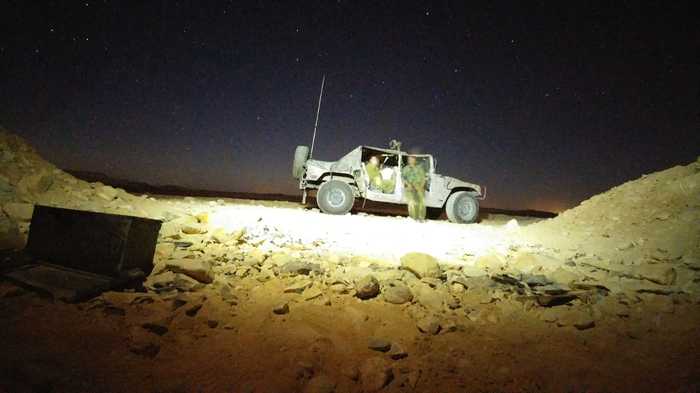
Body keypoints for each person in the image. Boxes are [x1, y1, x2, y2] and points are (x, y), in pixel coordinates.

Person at [401, 155, 427, 221]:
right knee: (411, 202)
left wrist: (421, 187)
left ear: (415, 160)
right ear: (408, 160)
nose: (411, 160)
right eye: (409, 159)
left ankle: (421, 217)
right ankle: (413, 217)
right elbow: (403, 178)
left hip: (418, 186)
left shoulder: (419, 168)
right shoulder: (405, 168)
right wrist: (407, 184)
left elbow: (423, 179)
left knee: (422, 201)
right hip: (409, 186)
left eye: (413, 159)